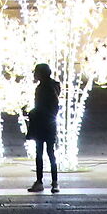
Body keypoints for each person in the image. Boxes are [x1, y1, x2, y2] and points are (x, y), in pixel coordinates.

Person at [25, 62, 61, 193]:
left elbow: (46, 106)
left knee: (40, 153)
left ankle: (41, 181)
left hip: (42, 123)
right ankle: (54, 182)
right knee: (50, 153)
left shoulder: (43, 88)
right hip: (50, 123)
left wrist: (33, 113)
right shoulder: (54, 86)